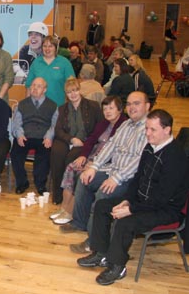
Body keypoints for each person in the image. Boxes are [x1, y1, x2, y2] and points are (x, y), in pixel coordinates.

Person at [77, 109, 188, 286]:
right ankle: (101, 253)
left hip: (166, 209)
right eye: (146, 129)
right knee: (102, 206)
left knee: (125, 222)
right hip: (144, 202)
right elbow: (137, 179)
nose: (147, 133)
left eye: (153, 130)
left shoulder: (175, 157)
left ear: (167, 130)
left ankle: (117, 266)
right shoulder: (150, 147)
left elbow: (162, 198)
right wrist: (127, 200)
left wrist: (130, 209)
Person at [63, 92, 150, 254]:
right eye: (129, 104)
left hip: (129, 179)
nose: (132, 107)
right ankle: (80, 223)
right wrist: (93, 168)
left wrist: (116, 178)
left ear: (147, 106)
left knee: (103, 194)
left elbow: (140, 160)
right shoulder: (126, 125)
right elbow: (109, 146)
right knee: (84, 179)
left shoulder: (149, 128)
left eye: (136, 103)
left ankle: (94, 241)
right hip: (113, 170)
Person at [51, 96, 127, 225]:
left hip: (107, 162)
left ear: (120, 110)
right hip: (94, 157)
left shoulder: (123, 125)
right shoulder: (104, 123)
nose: (107, 111)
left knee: (82, 174)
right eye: (105, 109)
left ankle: (71, 212)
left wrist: (94, 165)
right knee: (71, 167)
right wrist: (83, 156)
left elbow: (116, 152)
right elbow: (91, 140)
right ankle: (63, 208)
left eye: (111, 108)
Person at [50, 78, 103, 204]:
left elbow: (100, 127)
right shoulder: (62, 108)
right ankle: (57, 194)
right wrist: (71, 139)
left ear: (80, 90)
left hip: (85, 141)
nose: (73, 94)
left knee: (70, 159)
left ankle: (69, 195)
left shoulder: (93, 106)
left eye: (75, 90)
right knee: (57, 154)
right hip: (66, 139)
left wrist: (85, 142)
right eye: (69, 92)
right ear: (66, 94)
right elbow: (58, 130)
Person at [11, 77, 57, 195]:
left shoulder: (52, 105)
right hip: (25, 136)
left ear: (45, 89)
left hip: (43, 137)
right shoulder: (22, 104)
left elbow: (54, 124)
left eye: (39, 86)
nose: (35, 88)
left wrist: (49, 136)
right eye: (33, 85)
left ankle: (40, 184)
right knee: (16, 153)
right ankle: (22, 182)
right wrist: (19, 135)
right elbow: (16, 122)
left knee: (45, 154)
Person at [26, 36, 75, 106]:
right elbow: (29, 86)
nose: (47, 49)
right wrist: (27, 106)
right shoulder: (36, 63)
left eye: (50, 46)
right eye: (44, 46)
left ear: (56, 48)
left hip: (59, 106)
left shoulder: (64, 63)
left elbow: (72, 85)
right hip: (38, 107)